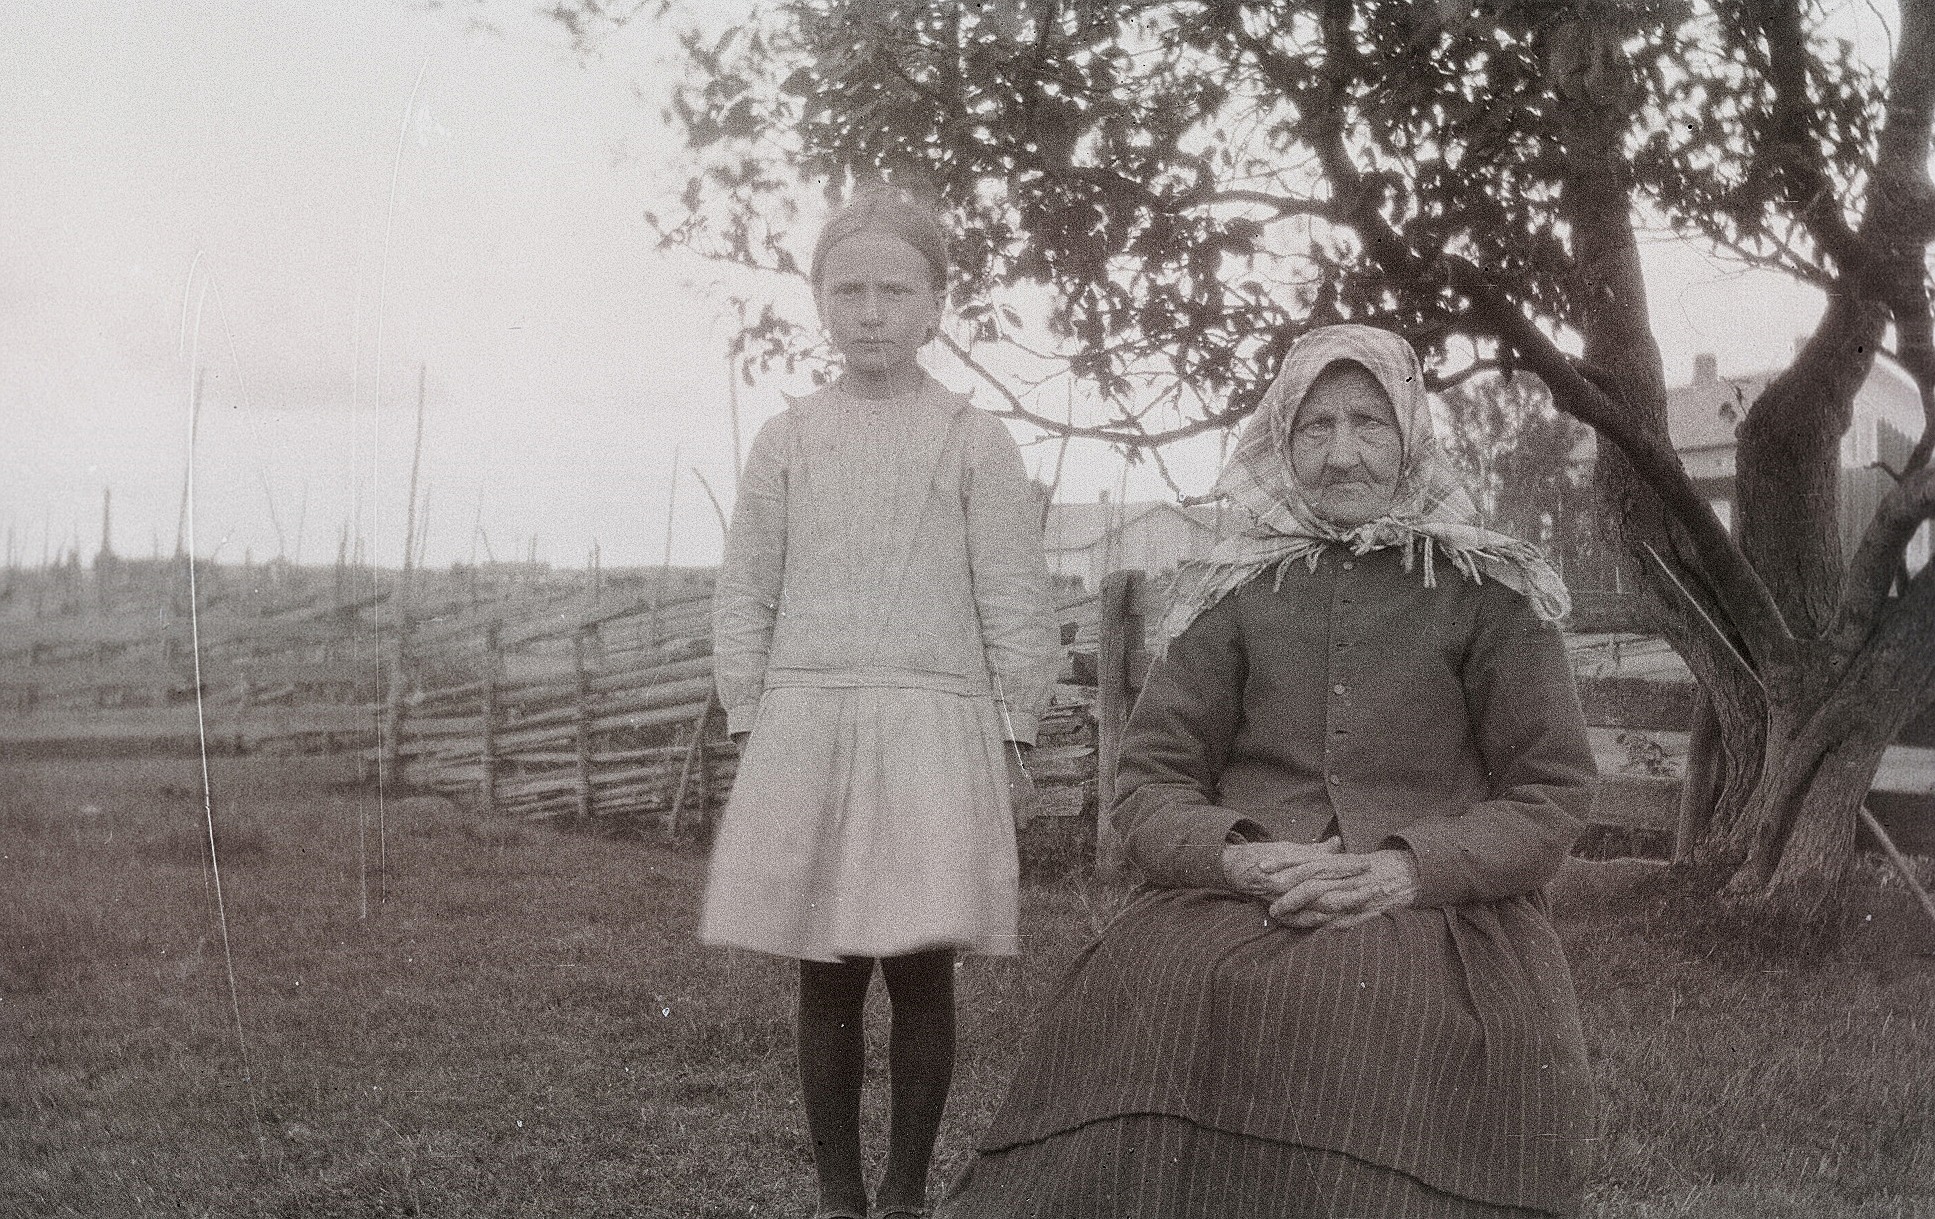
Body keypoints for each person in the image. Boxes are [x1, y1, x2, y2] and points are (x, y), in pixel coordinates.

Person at [943, 324, 1597, 1218]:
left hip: (1432, 907)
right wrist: (1236, 855)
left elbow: (1550, 791)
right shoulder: (1237, 587)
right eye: (1314, 428)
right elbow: (1148, 782)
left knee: (1355, 1008)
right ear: (1282, 443)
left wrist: (1405, 867)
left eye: (1368, 423)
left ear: (1410, 434)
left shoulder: (1491, 590)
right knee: (1144, 982)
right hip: (1240, 888)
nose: (1340, 456)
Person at [699, 184, 1063, 1219]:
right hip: (812, 722)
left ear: (937, 303)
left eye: (895, 290)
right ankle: (839, 1195)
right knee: (826, 971)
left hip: (930, 728)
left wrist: (1014, 717)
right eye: (848, 289)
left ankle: (904, 1193)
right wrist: (749, 708)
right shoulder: (790, 438)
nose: (871, 312)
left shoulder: (971, 437)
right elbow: (748, 585)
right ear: (818, 300)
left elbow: (1011, 587)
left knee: (918, 966)